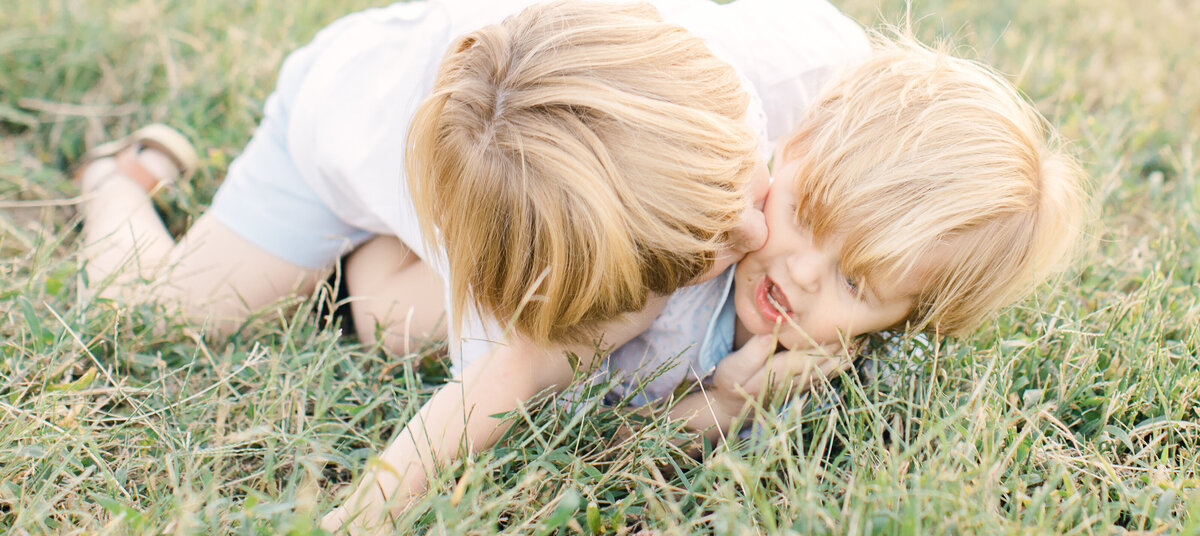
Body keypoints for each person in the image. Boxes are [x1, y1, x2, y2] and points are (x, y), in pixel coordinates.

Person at [74, 0, 872, 530]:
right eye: (707, 246)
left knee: (391, 318)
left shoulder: (773, 62)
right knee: (156, 311)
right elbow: (536, 428)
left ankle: (371, 272)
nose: (757, 234)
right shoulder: (536, 291)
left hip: (515, 121)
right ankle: (113, 181)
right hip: (340, 131)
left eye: (743, 175)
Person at [321, 30, 1085, 531]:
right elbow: (516, 374)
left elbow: (609, 462)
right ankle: (348, 260)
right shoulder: (694, 242)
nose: (800, 271)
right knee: (388, 312)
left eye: (857, 283)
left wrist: (723, 404)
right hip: (498, 222)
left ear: (911, 316)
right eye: (805, 214)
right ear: (797, 145)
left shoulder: (808, 365)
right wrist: (367, 510)